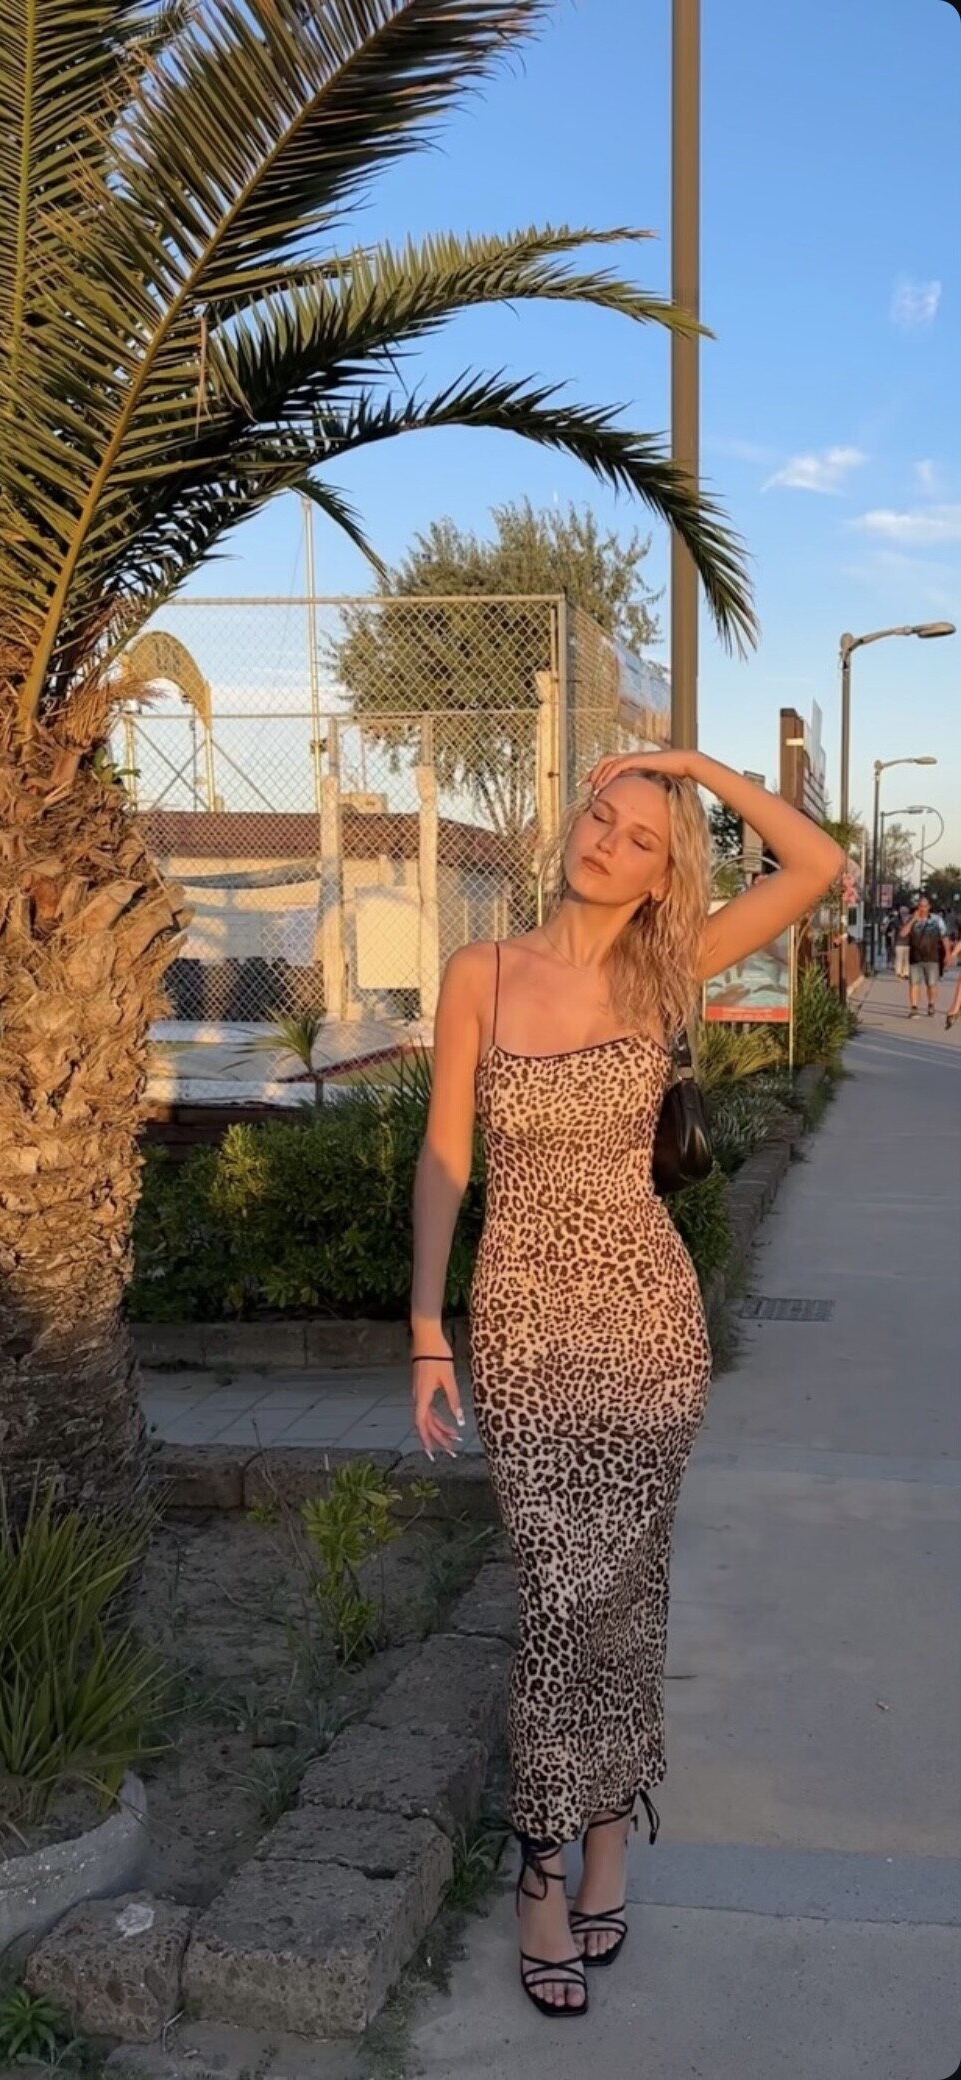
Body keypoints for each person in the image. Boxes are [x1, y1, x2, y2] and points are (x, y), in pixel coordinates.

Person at [409, 749, 843, 2021]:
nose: (607, 839)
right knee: (562, 1592)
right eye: (601, 815)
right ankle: (543, 1862)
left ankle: (603, 1833)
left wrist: (692, 765)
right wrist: (426, 1326)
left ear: (664, 875)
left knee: (628, 1586)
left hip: (648, 1320)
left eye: (642, 835)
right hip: (524, 1323)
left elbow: (819, 864)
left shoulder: (667, 968)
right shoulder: (482, 972)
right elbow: (446, 1153)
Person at [899, 897, 947, 1017]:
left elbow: (944, 937)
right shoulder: (911, 919)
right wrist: (913, 920)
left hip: (932, 957)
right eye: (920, 906)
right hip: (915, 957)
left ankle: (931, 1004)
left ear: (929, 907)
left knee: (932, 984)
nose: (922, 908)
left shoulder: (937, 920)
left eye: (925, 906)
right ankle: (914, 1007)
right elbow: (903, 933)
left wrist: (948, 953)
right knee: (914, 983)